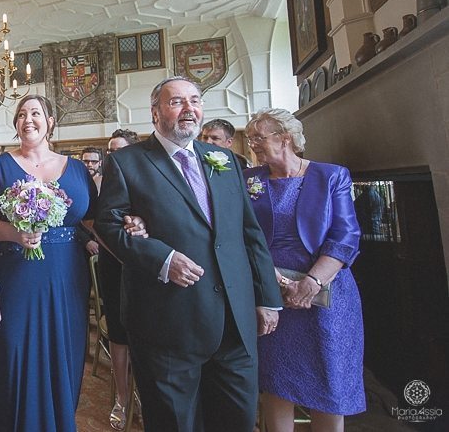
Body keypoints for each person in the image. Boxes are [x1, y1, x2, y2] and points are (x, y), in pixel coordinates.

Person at [95, 76, 282, 432]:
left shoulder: (223, 159)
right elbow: (109, 226)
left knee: (237, 420)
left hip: (233, 323)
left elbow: (249, 233)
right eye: (176, 102)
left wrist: (267, 298)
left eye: (195, 101)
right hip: (168, 323)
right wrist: (162, 259)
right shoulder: (128, 162)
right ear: (155, 113)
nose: (189, 109)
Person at [0, 95, 96, 431]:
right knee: (12, 349)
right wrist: (13, 233)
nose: (28, 120)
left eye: (36, 113)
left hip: (67, 275)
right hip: (15, 274)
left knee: (62, 352)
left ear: (50, 121)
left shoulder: (78, 169)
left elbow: (95, 220)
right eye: (21, 114)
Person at [243, 108, 365, 431]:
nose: (253, 143)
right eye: (250, 137)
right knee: (276, 381)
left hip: (326, 294)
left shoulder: (331, 176)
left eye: (259, 137)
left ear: (285, 138)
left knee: (329, 382)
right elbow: (241, 234)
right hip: (271, 293)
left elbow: (346, 235)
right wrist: (274, 281)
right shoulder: (248, 181)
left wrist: (311, 282)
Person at [97, 127, 141, 430]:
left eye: (119, 150)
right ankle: (122, 398)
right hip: (113, 264)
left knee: (145, 333)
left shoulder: (144, 179)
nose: (113, 155)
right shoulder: (99, 183)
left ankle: (144, 395)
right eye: (110, 151)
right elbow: (93, 221)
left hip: (144, 269)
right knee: (118, 334)